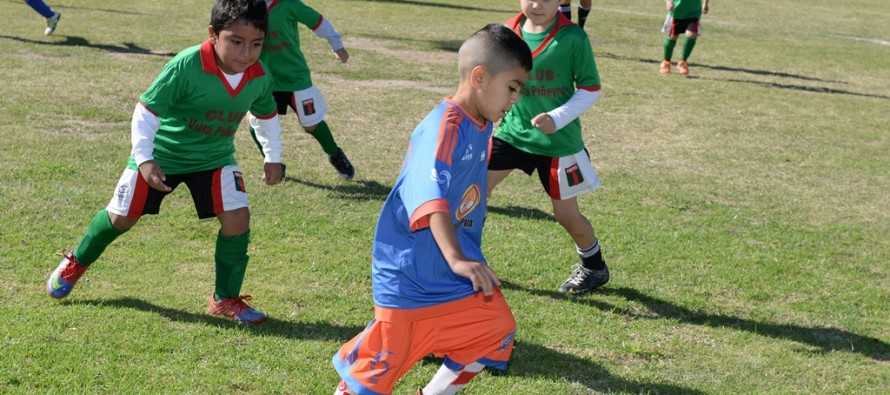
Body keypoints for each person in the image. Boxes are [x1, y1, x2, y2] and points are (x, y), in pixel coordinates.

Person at [45, 0, 283, 324]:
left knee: (237, 220)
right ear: (213, 34)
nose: (246, 53)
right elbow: (147, 110)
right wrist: (144, 159)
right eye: (236, 42)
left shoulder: (259, 74)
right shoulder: (187, 65)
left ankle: (225, 298)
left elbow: (265, 115)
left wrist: (272, 156)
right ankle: (76, 262)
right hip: (161, 155)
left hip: (214, 158)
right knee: (121, 219)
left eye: (256, 44)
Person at [332, 24, 533, 395]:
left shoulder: (482, 124)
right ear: (479, 77)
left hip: (449, 275)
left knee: (495, 330)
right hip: (411, 273)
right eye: (512, 88)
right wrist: (457, 258)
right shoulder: (443, 126)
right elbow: (429, 195)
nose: (515, 99)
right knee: (372, 380)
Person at [489, 0, 608, 295]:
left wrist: (557, 118)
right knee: (473, 191)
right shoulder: (508, 32)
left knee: (566, 215)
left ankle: (594, 268)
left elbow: (590, 88)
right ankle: (462, 261)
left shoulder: (573, 38)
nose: (537, 4)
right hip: (512, 134)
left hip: (558, 143)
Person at [247, 0, 355, 180]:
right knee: (255, 122)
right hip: (264, 79)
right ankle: (274, 164)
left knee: (311, 124)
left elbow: (318, 21)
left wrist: (337, 45)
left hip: (295, 78)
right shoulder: (245, 6)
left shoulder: (289, 4)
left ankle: (335, 154)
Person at [659, 0, 710, 75]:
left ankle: (683, 62)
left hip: (694, 12)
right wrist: (668, 2)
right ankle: (666, 62)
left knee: (691, 35)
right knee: (673, 37)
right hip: (677, 12)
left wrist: (705, 3)